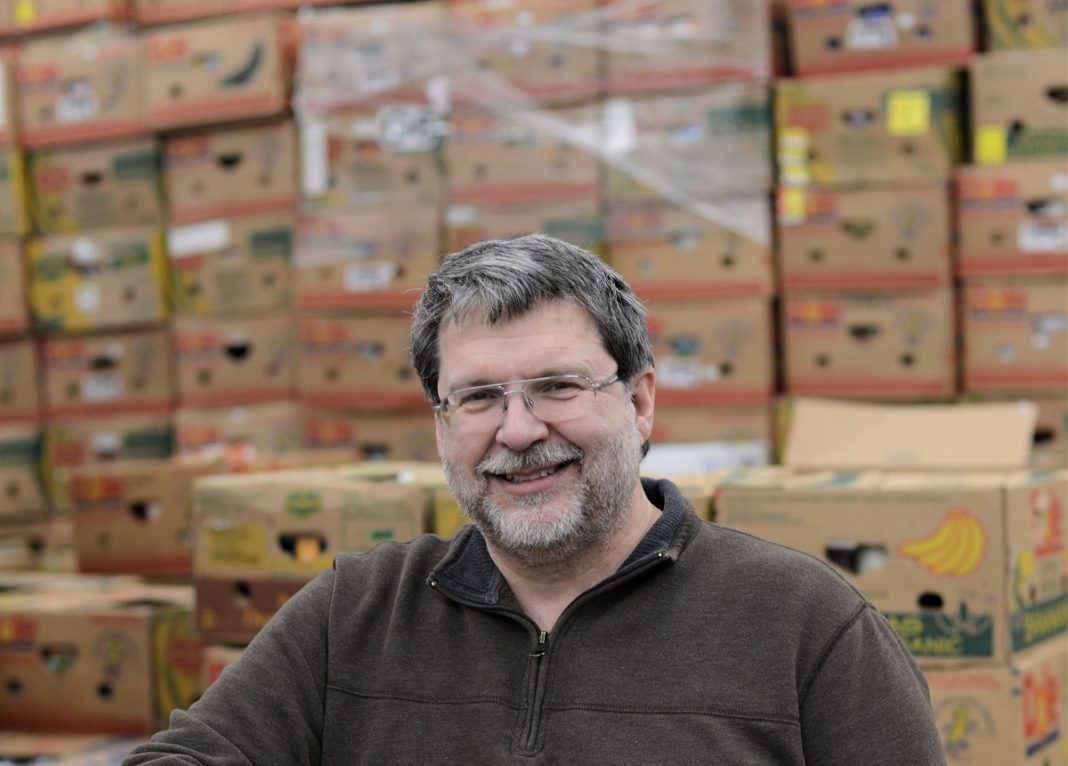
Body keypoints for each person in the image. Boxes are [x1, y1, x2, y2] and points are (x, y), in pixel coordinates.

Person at [124, 234, 945, 765]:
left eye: (557, 386)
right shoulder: (358, 612)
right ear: (441, 425)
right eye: (478, 398)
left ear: (642, 401)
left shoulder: (803, 624)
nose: (517, 431)